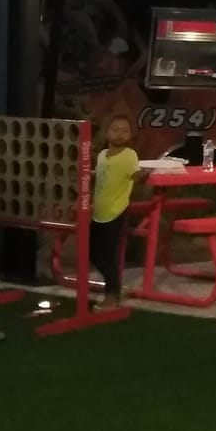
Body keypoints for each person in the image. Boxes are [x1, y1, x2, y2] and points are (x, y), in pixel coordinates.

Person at [91, 115, 147, 306]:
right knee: (93, 252)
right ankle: (114, 286)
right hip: (98, 212)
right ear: (107, 133)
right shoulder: (101, 155)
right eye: (115, 130)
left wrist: (143, 175)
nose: (120, 134)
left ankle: (112, 296)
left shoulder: (129, 155)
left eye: (125, 131)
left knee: (108, 254)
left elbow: (135, 174)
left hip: (116, 212)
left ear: (131, 135)